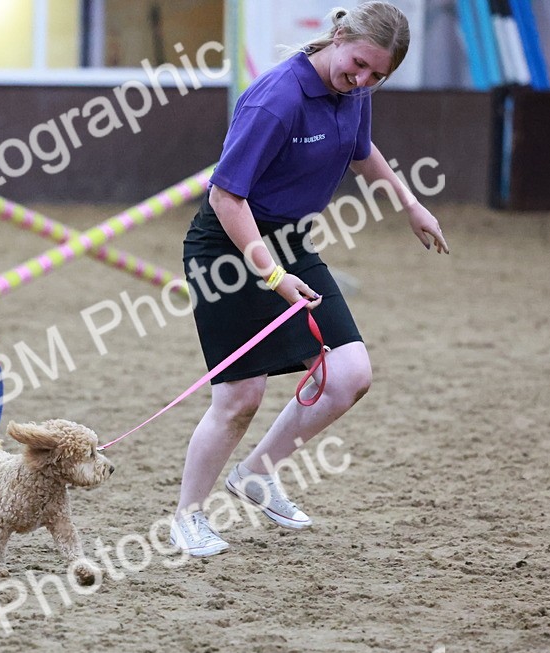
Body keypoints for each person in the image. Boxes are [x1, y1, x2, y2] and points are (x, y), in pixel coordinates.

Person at [170, 2, 450, 556]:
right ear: (338, 36)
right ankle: (187, 518)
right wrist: (273, 276)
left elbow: (362, 152)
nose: (364, 80)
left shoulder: (355, 92)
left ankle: (256, 473)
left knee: (349, 375)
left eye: (379, 75)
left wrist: (411, 205)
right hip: (228, 249)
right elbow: (227, 196)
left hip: (292, 240)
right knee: (240, 397)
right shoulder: (277, 99)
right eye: (359, 64)